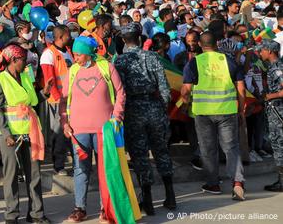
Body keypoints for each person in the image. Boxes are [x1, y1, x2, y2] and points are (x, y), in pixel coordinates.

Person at [60, 36, 126, 223]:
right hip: (78, 130)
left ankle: (106, 208)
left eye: (79, 54)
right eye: (74, 54)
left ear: (89, 54)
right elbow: (64, 100)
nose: (76, 58)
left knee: (106, 170)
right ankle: (79, 208)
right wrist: (64, 122)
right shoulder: (72, 71)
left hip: (104, 129)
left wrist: (116, 117)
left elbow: (120, 92)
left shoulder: (107, 67)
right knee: (81, 169)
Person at [113, 23, 176, 215]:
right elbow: (165, 88)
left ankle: (147, 201)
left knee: (140, 156)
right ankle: (170, 195)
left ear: (124, 40)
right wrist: (162, 109)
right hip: (155, 107)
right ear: (140, 38)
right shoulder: (153, 57)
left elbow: (120, 91)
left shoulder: (120, 61)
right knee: (161, 151)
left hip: (133, 111)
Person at [181, 32, 246, 200]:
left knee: (208, 149)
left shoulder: (193, 63)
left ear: (200, 45)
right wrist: (240, 110)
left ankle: (213, 184)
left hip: (203, 113)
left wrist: (185, 103)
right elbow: (241, 89)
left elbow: (186, 90)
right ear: (216, 44)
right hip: (227, 110)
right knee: (231, 148)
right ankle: (237, 183)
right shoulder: (230, 61)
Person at [0, 44, 50, 224]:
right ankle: (11, 215)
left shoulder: (26, 76)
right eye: (24, 60)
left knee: (34, 175)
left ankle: (36, 214)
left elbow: (32, 100)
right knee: (11, 176)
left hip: (30, 132)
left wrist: (44, 93)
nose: (27, 64)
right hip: (11, 136)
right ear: (14, 60)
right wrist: (6, 133)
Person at [39, 25, 73, 175]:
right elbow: (49, 80)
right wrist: (60, 100)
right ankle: (59, 166)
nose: (70, 37)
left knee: (71, 132)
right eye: (68, 35)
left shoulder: (68, 52)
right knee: (59, 134)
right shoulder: (48, 54)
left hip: (71, 99)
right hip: (57, 101)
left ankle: (76, 164)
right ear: (61, 37)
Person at [257, 39, 283, 192]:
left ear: (270, 51)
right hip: (276, 113)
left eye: (262, 50)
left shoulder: (277, 67)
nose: (260, 53)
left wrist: (269, 96)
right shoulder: (274, 66)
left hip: (279, 115)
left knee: (279, 147)